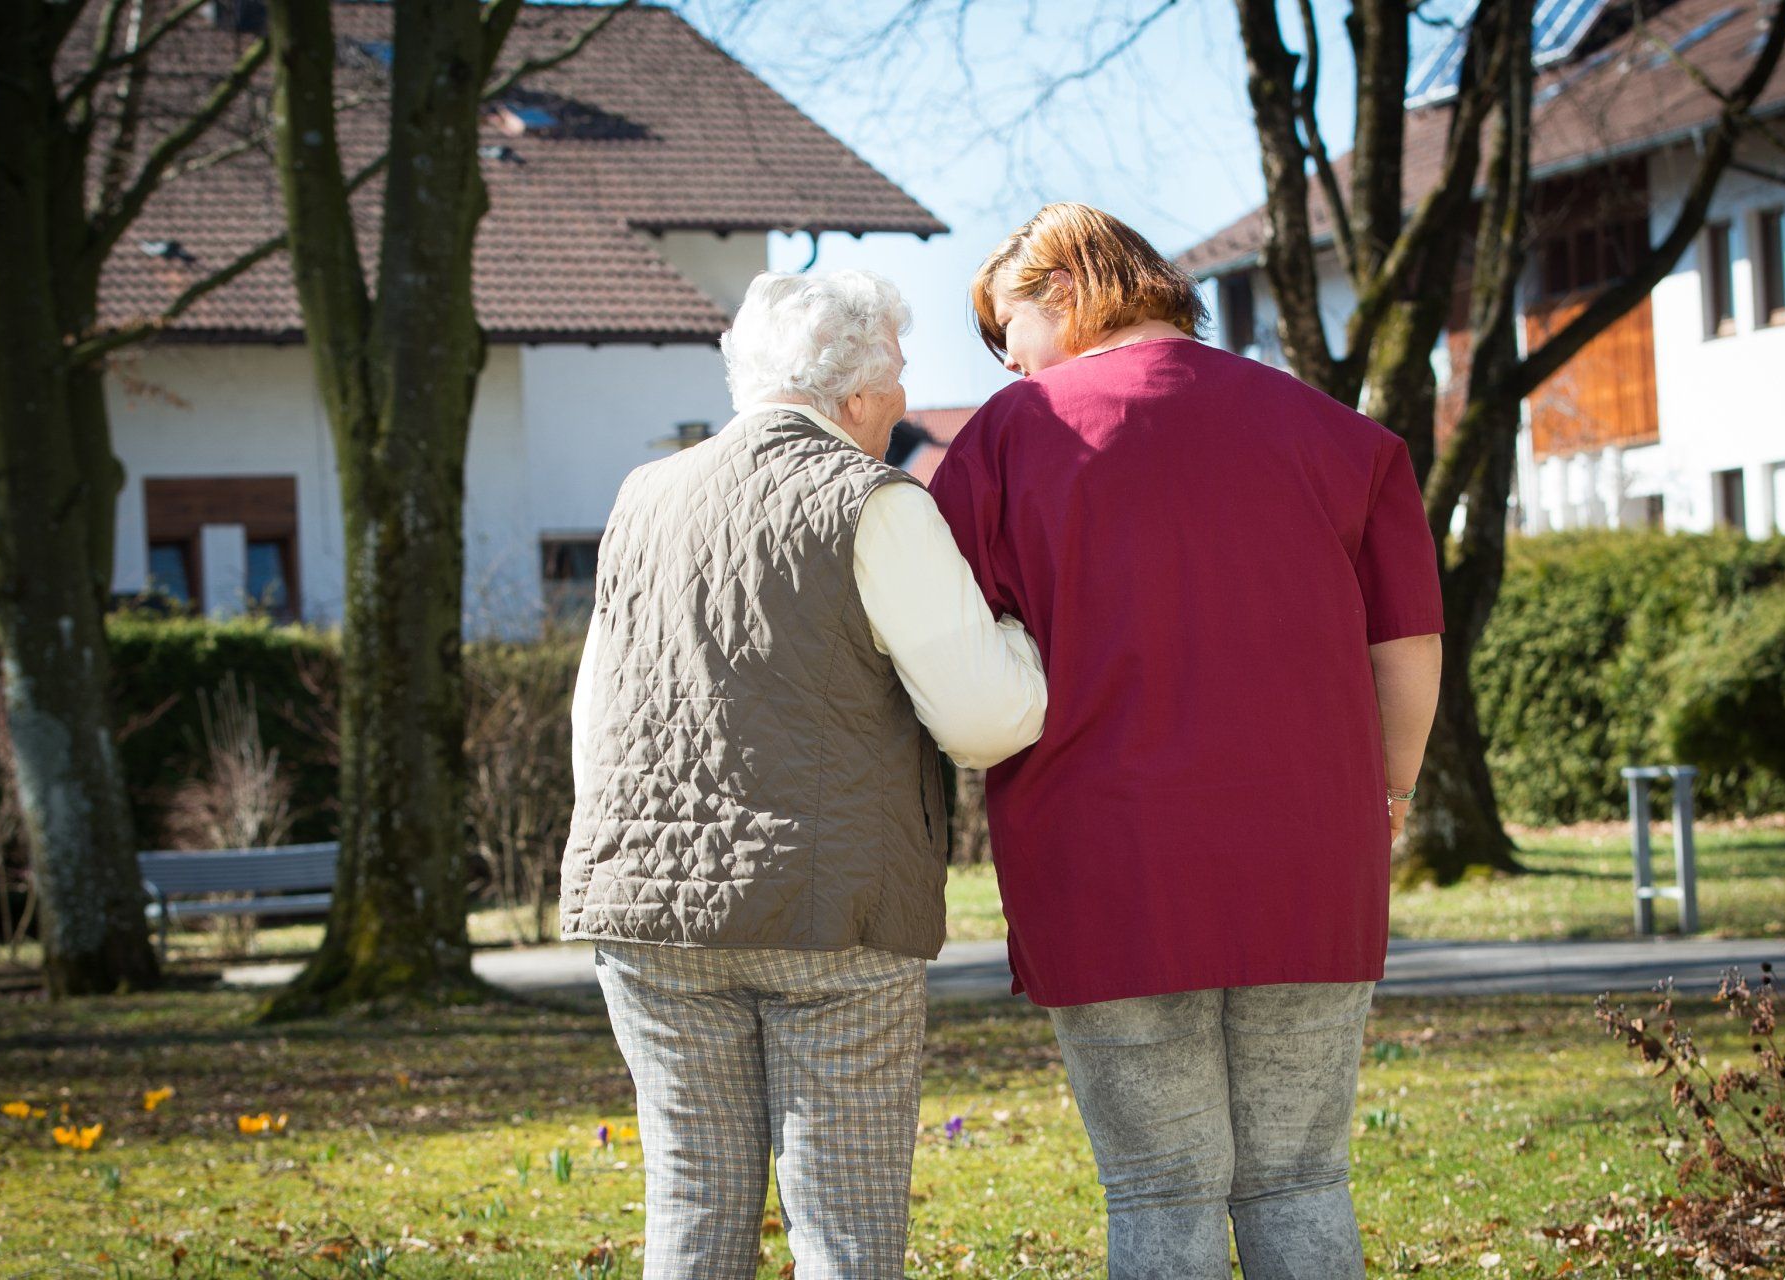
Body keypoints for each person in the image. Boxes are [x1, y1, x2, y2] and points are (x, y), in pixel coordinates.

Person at [928, 203, 1444, 1280]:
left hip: (1103, 860)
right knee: (1302, 1174)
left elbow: (949, 652)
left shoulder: (1009, 440)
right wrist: (1385, 792)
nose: (1005, 358)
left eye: (1004, 325)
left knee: (1161, 1185)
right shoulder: (1337, 434)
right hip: (1310, 853)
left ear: (1064, 288)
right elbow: (1407, 645)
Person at [558, 269, 1046, 1280]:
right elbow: (985, 717)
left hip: (646, 914)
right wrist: (1020, 639)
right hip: (834, 915)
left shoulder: (641, 495)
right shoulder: (873, 502)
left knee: (691, 1210)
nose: (907, 398)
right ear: (858, 389)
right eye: (900, 372)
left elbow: (593, 714)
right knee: (845, 1231)